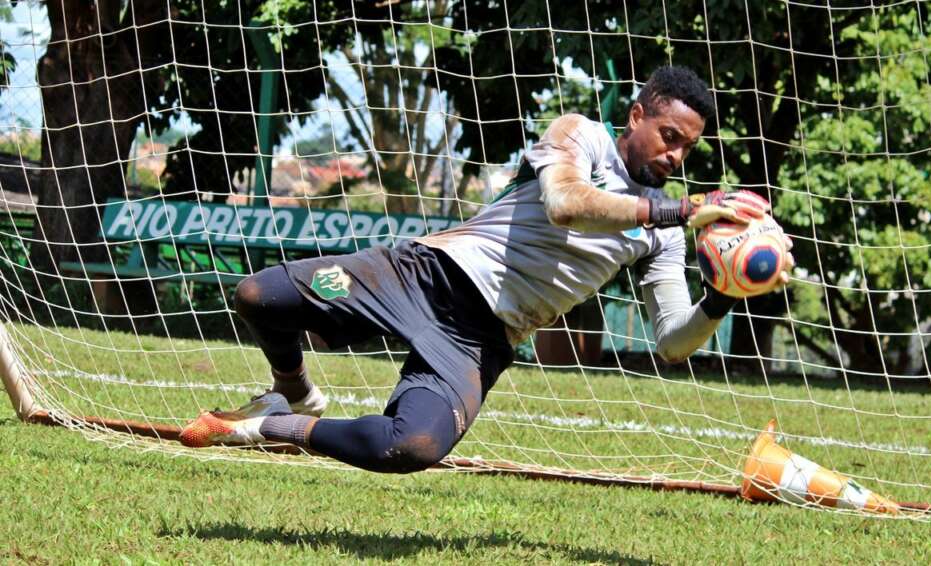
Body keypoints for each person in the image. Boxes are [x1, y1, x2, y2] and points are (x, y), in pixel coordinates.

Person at [179, 66, 794, 474]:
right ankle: (293, 389)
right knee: (258, 294)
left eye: (687, 146)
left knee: (410, 446)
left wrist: (720, 295)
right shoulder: (578, 134)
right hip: (425, 274)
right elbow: (566, 204)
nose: (675, 154)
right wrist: (680, 209)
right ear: (635, 116)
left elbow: (670, 344)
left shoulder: (663, 236)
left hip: (481, 339)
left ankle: (278, 425)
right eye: (667, 135)